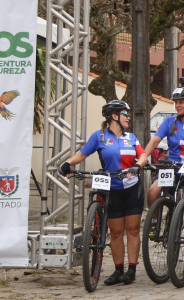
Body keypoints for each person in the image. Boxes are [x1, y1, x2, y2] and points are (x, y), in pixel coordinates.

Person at [59, 99, 147, 285]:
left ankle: (131, 270)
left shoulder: (131, 137)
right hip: (112, 189)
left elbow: (143, 155)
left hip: (132, 188)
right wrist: (68, 163)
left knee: (132, 230)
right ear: (114, 116)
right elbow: (82, 154)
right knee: (116, 232)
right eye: (125, 114)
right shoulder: (99, 137)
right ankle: (118, 270)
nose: (128, 117)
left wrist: (138, 165)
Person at [144, 85, 184, 208]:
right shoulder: (169, 121)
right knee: (153, 192)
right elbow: (154, 142)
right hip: (172, 167)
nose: (177, 105)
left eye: (181, 102)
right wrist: (143, 157)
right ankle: (154, 219)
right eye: (176, 102)